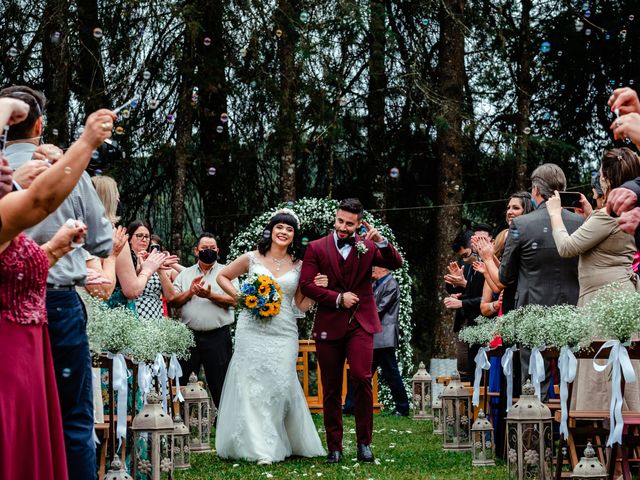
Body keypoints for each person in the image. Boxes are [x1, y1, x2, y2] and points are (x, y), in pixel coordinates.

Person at [0, 85, 115, 480]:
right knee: (71, 420)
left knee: (23, 423)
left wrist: (51, 248)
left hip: (18, 317)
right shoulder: (64, 170)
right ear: (40, 124)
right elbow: (101, 241)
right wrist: (82, 148)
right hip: (56, 308)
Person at [215, 209, 326, 464]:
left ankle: (278, 437)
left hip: (284, 330)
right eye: (280, 227)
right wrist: (242, 298)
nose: (284, 232)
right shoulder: (251, 258)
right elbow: (223, 276)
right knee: (250, 383)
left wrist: (316, 290)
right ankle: (258, 446)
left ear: (294, 235)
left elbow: (300, 305)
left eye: (289, 229)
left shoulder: (299, 266)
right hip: (251, 328)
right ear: (271, 230)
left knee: (279, 384)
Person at [299, 198, 403, 464]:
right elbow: (307, 285)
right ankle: (334, 447)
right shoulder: (316, 247)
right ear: (336, 218)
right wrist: (336, 298)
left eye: (349, 223)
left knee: (361, 377)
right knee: (331, 387)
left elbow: (396, 262)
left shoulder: (367, 246)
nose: (343, 227)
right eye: (340, 221)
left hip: (361, 323)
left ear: (358, 224)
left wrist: (381, 241)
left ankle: (364, 444)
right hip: (329, 325)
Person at [547, 148, 640, 411]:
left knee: (600, 365)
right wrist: (589, 214)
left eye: (600, 174)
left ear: (608, 179)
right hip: (622, 296)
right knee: (624, 362)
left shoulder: (606, 214)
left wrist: (555, 213)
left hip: (602, 300)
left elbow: (567, 247)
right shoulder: (630, 211)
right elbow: (608, 242)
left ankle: (599, 430)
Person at [499, 163, 583, 401]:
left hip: (532, 311)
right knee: (572, 374)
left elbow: (505, 276)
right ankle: (572, 430)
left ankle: (537, 432)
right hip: (572, 310)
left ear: (536, 190)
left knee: (534, 377)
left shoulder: (521, 225)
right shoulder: (580, 223)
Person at [162, 232, 237, 409]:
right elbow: (173, 301)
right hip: (189, 337)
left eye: (212, 248)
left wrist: (210, 295)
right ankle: (179, 422)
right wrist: (191, 292)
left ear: (218, 250)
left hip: (218, 337)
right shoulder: (185, 274)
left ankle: (224, 425)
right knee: (180, 382)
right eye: (204, 248)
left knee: (221, 384)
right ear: (196, 251)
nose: (208, 251)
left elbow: (235, 301)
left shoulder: (227, 273)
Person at [343, 266, 410, 417]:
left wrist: (357, 313)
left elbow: (379, 309)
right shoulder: (375, 283)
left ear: (385, 268)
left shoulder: (391, 284)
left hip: (383, 337)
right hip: (374, 336)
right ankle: (350, 406)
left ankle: (402, 407)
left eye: (375, 266)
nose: (372, 268)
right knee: (360, 372)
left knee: (390, 373)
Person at [444, 224, 492, 382]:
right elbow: (458, 289)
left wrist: (462, 302)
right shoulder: (467, 263)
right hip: (466, 323)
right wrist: (456, 284)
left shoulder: (487, 264)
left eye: (465, 254)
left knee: (478, 372)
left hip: (483, 323)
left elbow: (486, 297)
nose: (464, 259)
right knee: (464, 369)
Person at [115, 220, 176, 320]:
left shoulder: (154, 260)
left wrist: (160, 268)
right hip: (132, 314)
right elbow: (127, 286)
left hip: (155, 314)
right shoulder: (124, 259)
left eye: (147, 236)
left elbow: (171, 296)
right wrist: (142, 268)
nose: (144, 239)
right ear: (129, 238)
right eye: (139, 235)